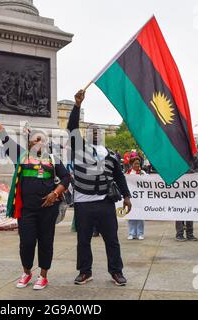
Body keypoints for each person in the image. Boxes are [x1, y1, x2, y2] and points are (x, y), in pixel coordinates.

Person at [0, 104, 71, 291]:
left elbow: (66, 177)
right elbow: (3, 136)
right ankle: (27, 272)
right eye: (35, 140)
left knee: (46, 242)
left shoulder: (53, 159)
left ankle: (43, 276)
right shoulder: (21, 156)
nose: (39, 143)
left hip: (48, 210)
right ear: (30, 143)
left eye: (42, 140)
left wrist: (55, 193)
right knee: (27, 242)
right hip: (27, 210)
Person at [68, 90, 132, 287]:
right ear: (87, 135)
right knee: (83, 241)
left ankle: (116, 272)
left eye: (98, 131)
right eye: (91, 131)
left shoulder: (112, 155)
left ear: (102, 135)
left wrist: (127, 196)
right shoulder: (79, 149)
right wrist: (77, 105)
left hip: (105, 203)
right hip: (83, 203)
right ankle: (85, 272)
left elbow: (119, 177)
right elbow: (71, 128)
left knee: (112, 240)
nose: (95, 133)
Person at [126, 157, 147, 240]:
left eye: (138, 163)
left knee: (140, 216)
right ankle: (132, 233)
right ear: (131, 164)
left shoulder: (143, 173)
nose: (137, 165)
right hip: (132, 198)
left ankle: (140, 233)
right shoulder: (128, 173)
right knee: (131, 215)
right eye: (135, 163)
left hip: (140, 198)